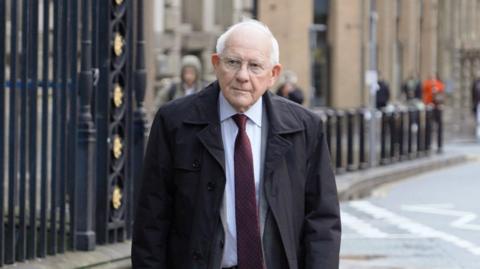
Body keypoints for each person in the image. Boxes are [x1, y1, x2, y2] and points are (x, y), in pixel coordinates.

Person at [132, 19, 341, 269]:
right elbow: (152, 219)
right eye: (233, 62)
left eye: (255, 66)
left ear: (273, 74)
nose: (242, 76)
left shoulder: (305, 128)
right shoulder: (174, 122)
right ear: (216, 64)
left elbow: (322, 221)